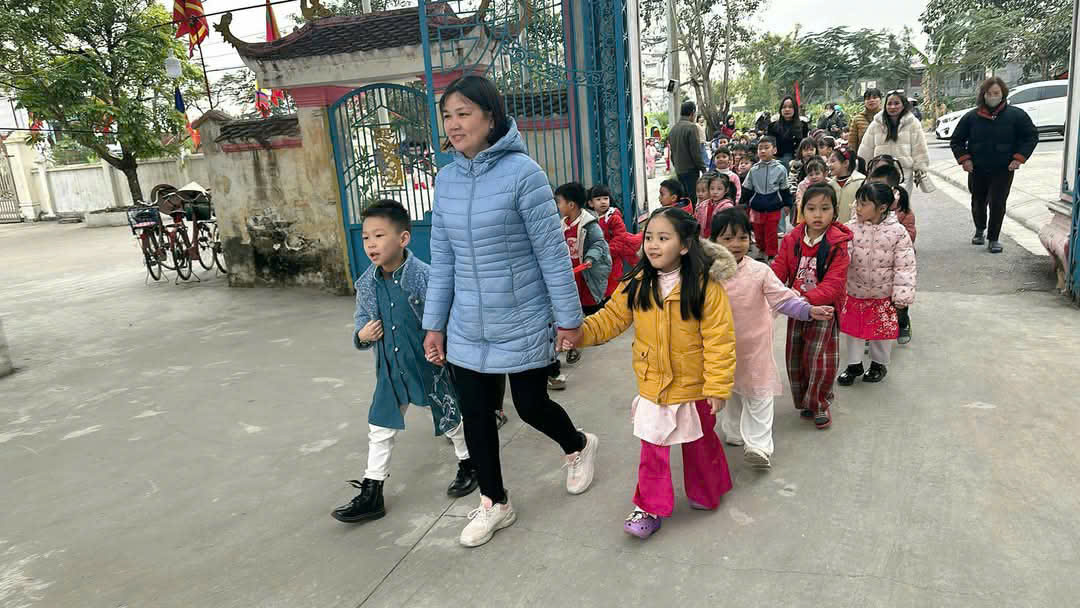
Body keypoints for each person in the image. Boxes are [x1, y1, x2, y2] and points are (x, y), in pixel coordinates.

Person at [422, 75, 599, 548]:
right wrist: (434, 324)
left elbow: (552, 254)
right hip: (466, 321)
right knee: (476, 414)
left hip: (521, 314)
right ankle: (494, 502)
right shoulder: (446, 180)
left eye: (463, 113)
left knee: (531, 405)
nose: (454, 124)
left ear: (491, 117)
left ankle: (579, 445)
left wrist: (569, 319)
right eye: (447, 115)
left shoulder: (525, 174)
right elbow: (443, 259)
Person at [561, 207, 736, 539]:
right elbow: (611, 318)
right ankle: (649, 507)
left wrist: (717, 386)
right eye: (649, 237)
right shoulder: (637, 282)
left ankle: (707, 489)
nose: (653, 245)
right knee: (653, 450)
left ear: (684, 245)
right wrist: (580, 334)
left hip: (696, 386)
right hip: (653, 385)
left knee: (700, 445)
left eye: (663, 238)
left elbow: (720, 341)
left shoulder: (706, 287)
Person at [334, 200, 478, 525]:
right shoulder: (366, 283)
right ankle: (372, 491)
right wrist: (362, 334)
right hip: (389, 369)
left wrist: (444, 347)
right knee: (380, 427)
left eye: (379, 235)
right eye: (366, 237)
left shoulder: (425, 277)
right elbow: (361, 319)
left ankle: (469, 462)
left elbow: (448, 315)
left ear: (403, 239)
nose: (371, 244)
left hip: (426, 367)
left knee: (449, 417)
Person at [709, 208, 834, 467]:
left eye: (742, 237)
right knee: (731, 390)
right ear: (713, 241)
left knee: (759, 393)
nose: (735, 244)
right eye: (727, 238)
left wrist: (808, 311)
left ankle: (759, 446)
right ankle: (734, 431)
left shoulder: (759, 271)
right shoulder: (705, 274)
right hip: (718, 349)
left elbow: (783, 299)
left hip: (755, 346)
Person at [771, 184, 853, 429]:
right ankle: (806, 400)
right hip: (797, 309)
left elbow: (835, 282)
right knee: (796, 358)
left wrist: (807, 301)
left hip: (824, 310)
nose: (818, 215)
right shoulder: (792, 239)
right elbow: (779, 269)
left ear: (834, 211)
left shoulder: (838, 243)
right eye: (812, 208)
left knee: (820, 360)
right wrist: (769, 288)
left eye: (825, 208)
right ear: (802, 210)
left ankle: (820, 403)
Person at [836, 183, 916, 386]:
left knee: (881, 332)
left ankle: (878, 364)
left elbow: (905, 266)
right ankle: (854, 364)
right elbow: (841, 258)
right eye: (857, 203)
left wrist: (902, 295)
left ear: (882, 208)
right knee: (853, 330)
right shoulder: (849, 228)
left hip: (883, 294)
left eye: (863, 204)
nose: (857, 207)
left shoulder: (897, 232)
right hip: (855, 291)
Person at [950, 76, 1039, 254]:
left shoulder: (1016, 115)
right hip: (977, 168)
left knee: (998, 202)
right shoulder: (971, 117)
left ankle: (994, 238)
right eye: (989, 93)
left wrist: (1018, 158)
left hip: (1004, 168)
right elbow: (957, 140)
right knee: (978, 201)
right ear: (983, 95)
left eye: (996, 93)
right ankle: (980, 229)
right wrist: (965, 159)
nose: (992, 97)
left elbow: (1031, 137)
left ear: (1003, 94)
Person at [556, 182, 612, 367]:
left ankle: (596, 333)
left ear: (571, 205)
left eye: (559, 202)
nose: (558, 206)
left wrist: (590, 258)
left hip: (586, 273)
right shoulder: (562, 225)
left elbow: (599, 244)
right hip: (570, 275)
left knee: (591, 306)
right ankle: (574, 344)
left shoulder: (589, 224)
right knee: (572, 308)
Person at [866, 163, 916, 344]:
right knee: (873, 301)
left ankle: (902, 323)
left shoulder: (902, 209)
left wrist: (889, 238)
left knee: (898, 299)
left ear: (893, 189)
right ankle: (873, 330)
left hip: (896, 264)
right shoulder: (866, 208)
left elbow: (910, 234)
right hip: (872, 266)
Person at [857, 91, 929, 194]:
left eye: (896, 103)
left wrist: (920, 168)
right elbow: (866, 148)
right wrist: (863, 168)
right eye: (889, 104)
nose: (892, 107)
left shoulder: (913, 123)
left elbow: (919, 148)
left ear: (903, 105)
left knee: (901, 201)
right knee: (881, 201)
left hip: (904, 173)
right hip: (880, 172)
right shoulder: (876, 124)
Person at [588, 184, 642, 304]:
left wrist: (607, 252)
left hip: (613, 257)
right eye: (598, 199)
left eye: (605, 198)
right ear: (591, 203)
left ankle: (614, 304)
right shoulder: (591, 219)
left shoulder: (613, 217)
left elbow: (620, 237)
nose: (603, 202)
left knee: (613, 282)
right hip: (599, 258)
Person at [741, 136, 792, 261]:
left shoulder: (781, 169)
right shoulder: (753, 170)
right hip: (757, 206)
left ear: (774, 150)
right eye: (760, 148)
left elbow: (785, 189)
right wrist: (742, 204)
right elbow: (747, 189)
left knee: (771, 231)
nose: (763, 151)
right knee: (758, 231)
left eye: (766, 148)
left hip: (774, 205)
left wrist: (787, 204)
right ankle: (761, 249)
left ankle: (771, 254)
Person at [669, 101, 708, 205]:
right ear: (692, 112)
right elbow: (695, 152)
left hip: (679, 170)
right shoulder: (691, 127)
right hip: (690, 170)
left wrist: (676, 166)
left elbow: (672, 153)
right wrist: (703, 168)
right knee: (692, 200)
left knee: (684, 199)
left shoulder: (673, 129)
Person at [767, 96, 810, 168]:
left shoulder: (803, 126)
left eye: (790, 107)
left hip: (797, 161)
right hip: (777, 161)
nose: (787, 109)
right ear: (780, 109)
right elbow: (769, 145)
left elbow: (805, 145)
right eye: (784, 107)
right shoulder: (772, 126)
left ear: (795, 109)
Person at [847, 88, 883, 171]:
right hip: (863, 160)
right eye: (868, 98)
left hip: (883, 159)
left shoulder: (886, 117)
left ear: (880, 100)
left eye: (875, 97)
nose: (871, 100)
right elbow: (852, 143)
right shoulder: (857, 119)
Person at [828, 148, 865, 223]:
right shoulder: (830, 185)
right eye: (828, 161)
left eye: (833, 161)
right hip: (835, 227)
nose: (829, 165)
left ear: (845, 163)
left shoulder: (861, 182)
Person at [695, 172, 735, 238]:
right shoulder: (703, 205)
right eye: (712, 188)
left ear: (726, 190)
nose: (715, 192)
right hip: (703, 237)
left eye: (719, 189)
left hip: (719, 238)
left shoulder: (728, 207)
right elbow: (697, 221)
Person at [794, 157, 829, 223]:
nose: (814, 177)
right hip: (807, 215)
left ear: (825, 174)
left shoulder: (830, 184)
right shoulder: (803, 185)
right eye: (811, 175)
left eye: (817, 174)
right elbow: (800, 202)